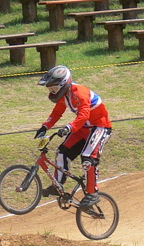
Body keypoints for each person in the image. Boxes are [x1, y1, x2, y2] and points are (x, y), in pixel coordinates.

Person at [33, 65, 112, 209]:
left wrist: (69, 127)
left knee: (88, 158)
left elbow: (84, 114)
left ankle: (92, 194)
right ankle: (58, 185)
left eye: (53, 89)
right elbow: (56, 113)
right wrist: (45, 126)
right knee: (62, 152)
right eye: (50, 90)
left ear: (63, 84)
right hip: (84, 128)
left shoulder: (79, 92)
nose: (52, 92)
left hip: (100, 126)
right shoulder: (65, 96)